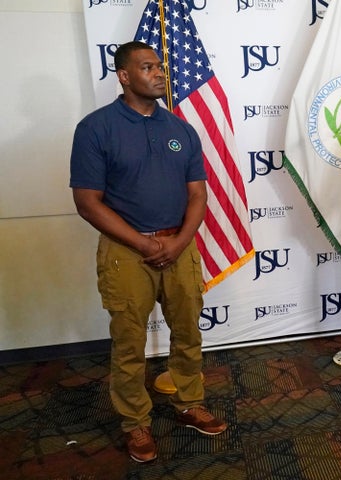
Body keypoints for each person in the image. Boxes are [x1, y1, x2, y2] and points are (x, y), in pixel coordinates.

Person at [69, 41, 227, 463]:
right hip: (126, 252)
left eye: (160, 66)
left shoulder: (180, 129)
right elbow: (87, 201)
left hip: (180, 247)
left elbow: (198, 194)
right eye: (147, 67)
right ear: (124, 76)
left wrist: (177, 243)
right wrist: (143, 243)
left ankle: (189, 403)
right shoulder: (96, 128)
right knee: (128, 344)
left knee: (189, 334)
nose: (159, 73)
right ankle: (135, 423)